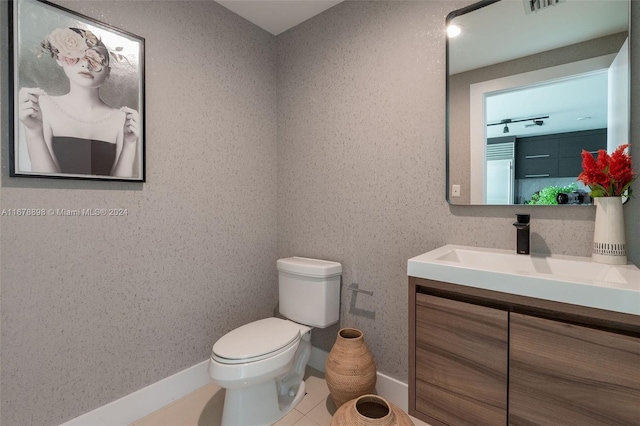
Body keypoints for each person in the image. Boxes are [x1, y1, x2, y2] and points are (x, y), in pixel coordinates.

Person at [18, 27, 139, 177]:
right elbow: (46, 181)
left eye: (95, 59)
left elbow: (123, 185)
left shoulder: (123, 118)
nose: (86, 65)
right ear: (59, 59)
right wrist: (34, 132)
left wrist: (130, 143)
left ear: (108, 71)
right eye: (76, 56)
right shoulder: (42, 106)